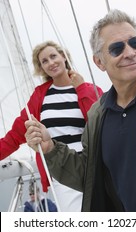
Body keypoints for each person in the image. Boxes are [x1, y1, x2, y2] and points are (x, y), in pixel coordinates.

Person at [25, 9, 136, 212]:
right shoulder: (98, 115)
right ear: (99, 62)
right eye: (117, 48)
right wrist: (50, 148)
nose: (130, 53)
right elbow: (91, 177)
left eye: (135, 43)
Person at [0, 40, 103, 212]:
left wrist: (81, 89)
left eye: (53, 56)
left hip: (95, 168)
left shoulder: (89, 89)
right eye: (44, 61)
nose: (50, 63)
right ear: (41, 68)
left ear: (63, 57)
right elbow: (15, 135)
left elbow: (99, 121)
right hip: (63, 173)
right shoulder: (40, 96)